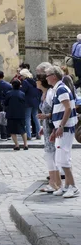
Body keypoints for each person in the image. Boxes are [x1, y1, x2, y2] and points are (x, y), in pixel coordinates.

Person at [45, 65, 79, 198]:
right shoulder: (58, 89)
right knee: (60, 159)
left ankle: (73, 187)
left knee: (64, 158)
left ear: (54, 76)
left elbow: (68, 108)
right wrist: (56, 128)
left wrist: (61, 126)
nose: (45, 78)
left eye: (47, 75)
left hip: (65, 128)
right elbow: (59, 111)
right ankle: (66, 187)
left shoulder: (61, 89)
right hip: (61, 128)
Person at [36, 71, 61, 193]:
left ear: (41, 82)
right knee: (49, 155)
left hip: (51, 127)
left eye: (37, 80)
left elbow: (55, 111)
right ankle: (54, 182)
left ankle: (54, 183)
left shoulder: (50, 94)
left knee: (51, 155)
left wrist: (46, 117)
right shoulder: (44, 94)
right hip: (46, 126)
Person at [4, 80, 28, 150]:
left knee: (12, 130)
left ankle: (17, 145)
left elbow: (5, 103)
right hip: (21, 114)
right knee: (23, 130)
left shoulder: (9, 93)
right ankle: (25, 144)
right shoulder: (22, 94)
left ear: (12, 85)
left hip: (11, 114)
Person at [19, 69, 41, 141]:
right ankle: (39, 134)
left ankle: (28, 135)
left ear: (24, 75)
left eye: (21, 75)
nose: (21, 77)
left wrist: (20, 87)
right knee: (36, 117)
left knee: (27, 118)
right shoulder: (34, 81)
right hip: (35, 101)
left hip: (28, 102)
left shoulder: (25, 82)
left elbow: (22, 91)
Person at [0, 70, 12, 141]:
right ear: (3, 76)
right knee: (7, 118)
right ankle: (8, 134)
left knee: (0, 119)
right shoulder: (8, 85)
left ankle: (3, 135)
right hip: (7, 103)